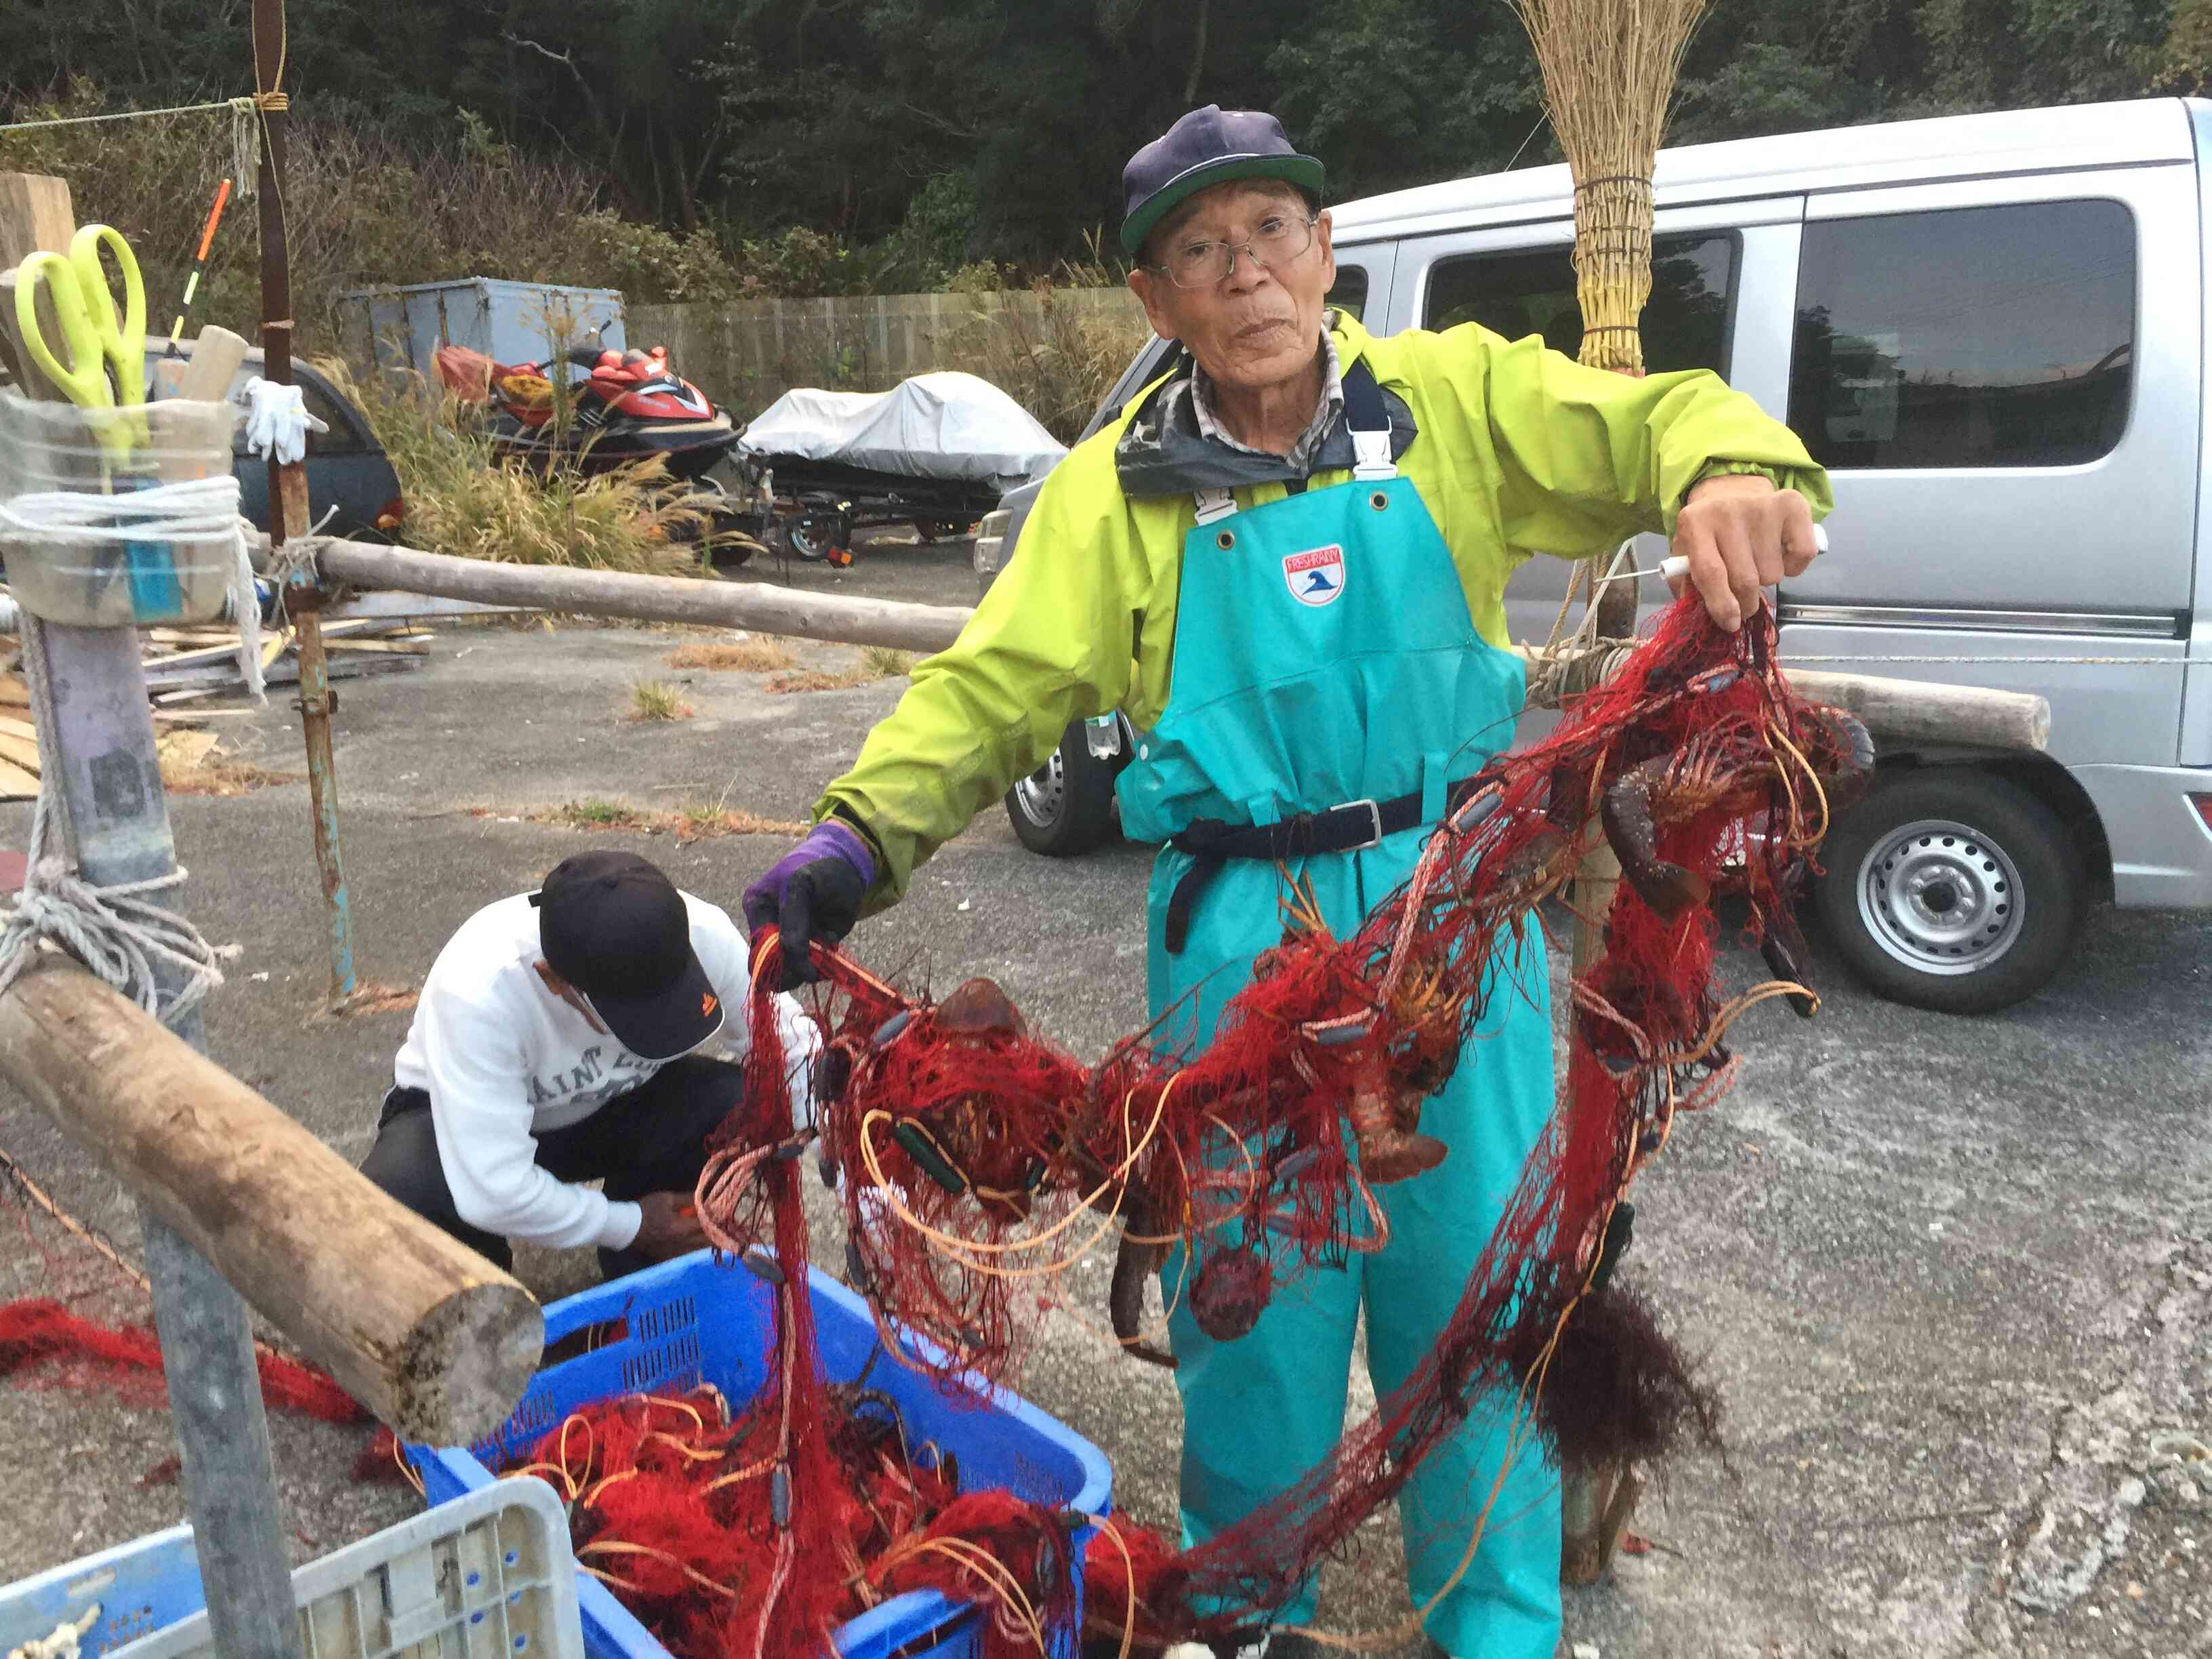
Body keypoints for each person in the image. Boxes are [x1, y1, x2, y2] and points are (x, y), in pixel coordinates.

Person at [743, 106, 1830, 1659]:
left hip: (1455, 910)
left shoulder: (1453, 397)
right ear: (1153, 299)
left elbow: (1656, 417)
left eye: (1270, 232)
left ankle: (1499, 1622)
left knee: (1480, 1295)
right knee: (1246, 1296)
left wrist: (1729, 467)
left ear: (1326, 252)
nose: (1243, 272)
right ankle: (1242, 1601)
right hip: (1235, 934)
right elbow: (987, 693)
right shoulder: (1113, 494)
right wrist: (852, 841)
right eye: (1198, 249)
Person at [363, 850, 818, 1281]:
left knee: (737, 1104)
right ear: (554, 980)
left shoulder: (702, 932)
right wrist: (631, 1222)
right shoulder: (479, 990)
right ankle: (490, 1311)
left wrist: (841, 1143)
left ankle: (647, 1277)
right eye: (636, 1017)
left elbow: (794, 1051)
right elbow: (493, 1189)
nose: (661, 1022)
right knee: (402, 1198)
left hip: (616, 1106)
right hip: (466, 1124)